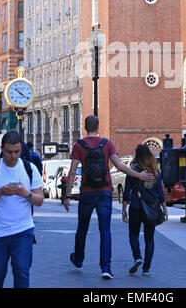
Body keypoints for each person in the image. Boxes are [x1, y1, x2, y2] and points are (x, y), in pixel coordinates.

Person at [63, 115, 155, 280]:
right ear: (98, 127)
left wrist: (67, 195)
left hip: (86, 193)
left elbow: (72, 171)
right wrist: (139, 176)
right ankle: (106, 267)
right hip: (104, 192)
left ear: (85, 127)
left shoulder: (79, 145)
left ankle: (78, 259)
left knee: (82, 228)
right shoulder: (107, 144)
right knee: (105, 230)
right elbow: (120, 166)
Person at [0, 130, 44, 288]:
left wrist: (26, 194)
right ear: (1, 148)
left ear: (21, 148)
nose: (13, 156)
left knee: (22, 273)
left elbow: (40, 200)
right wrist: (0, 192)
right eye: (9, 152)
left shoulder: (30, 169)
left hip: (23, 231)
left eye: (17, 151)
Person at [122, 144, 168, 276]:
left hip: (136, 206)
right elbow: (160, 192)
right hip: (151, 207)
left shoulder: (133, 171)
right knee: (149, 238)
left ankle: (137, 257)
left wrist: (124, 210)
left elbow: (126, 192)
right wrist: (164, 209)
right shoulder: (155, 172)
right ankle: (146, 268)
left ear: (137, 156)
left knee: (133, 234)